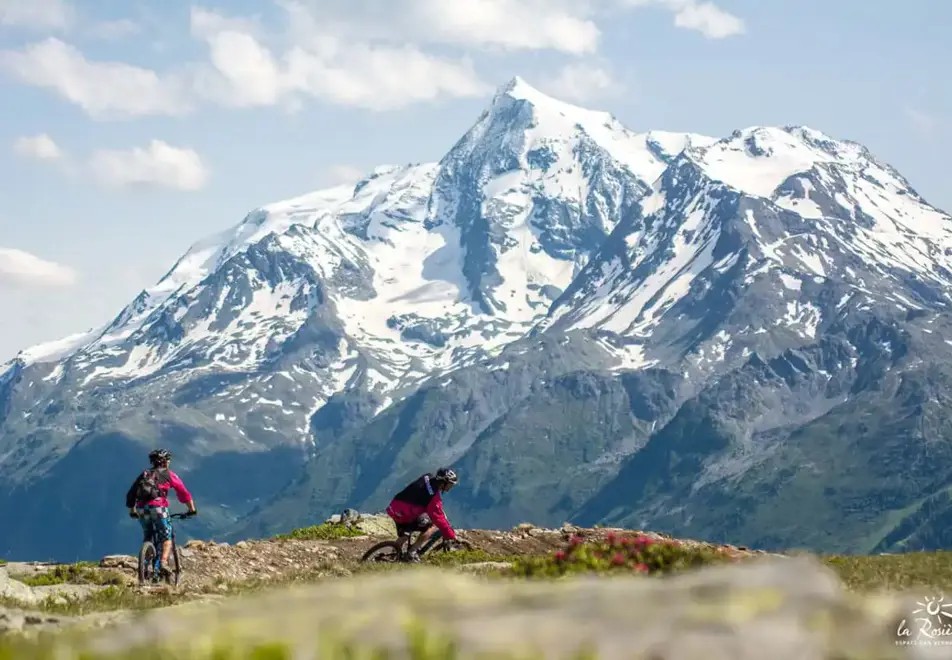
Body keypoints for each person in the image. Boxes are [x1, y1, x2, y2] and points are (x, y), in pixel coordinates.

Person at [125, 448, 197, 575]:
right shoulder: (169, 474)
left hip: (141, 509)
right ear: (165, 461)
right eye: (168, 460)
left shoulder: (144, 474)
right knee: (166, 536)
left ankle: (146, 565)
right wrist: (191, 510)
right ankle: (163, 562)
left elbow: (131, 493)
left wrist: (133, 510)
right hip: (159, 508)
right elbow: (184, 493)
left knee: (148, 535)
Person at [385, 467, 459, 562]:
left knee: (406, 531)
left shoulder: (427, 476)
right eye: (449, 484)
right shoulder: (433, 497)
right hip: (405, 514)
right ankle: (412, 552)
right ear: (443, 482)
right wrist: (450, 535)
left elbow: (421, 495)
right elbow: (439, 518)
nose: (450, 487)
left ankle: (394, 553)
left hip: (394, 507)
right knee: (432, 526)